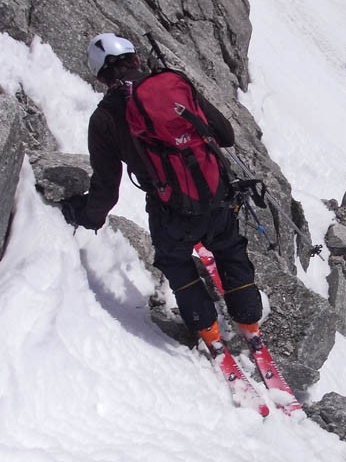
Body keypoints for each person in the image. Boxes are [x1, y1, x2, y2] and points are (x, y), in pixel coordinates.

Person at [62, 33, 262, 356]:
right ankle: (250, 323)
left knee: (176, 262)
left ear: (100, 77)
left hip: (171, 211)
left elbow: (107, 189)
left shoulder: (104, 120)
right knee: (229, 249)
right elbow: (224, 134)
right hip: (216, 195)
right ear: (135, 59)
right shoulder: (172, 85)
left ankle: (209, 330)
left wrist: (84, 215)